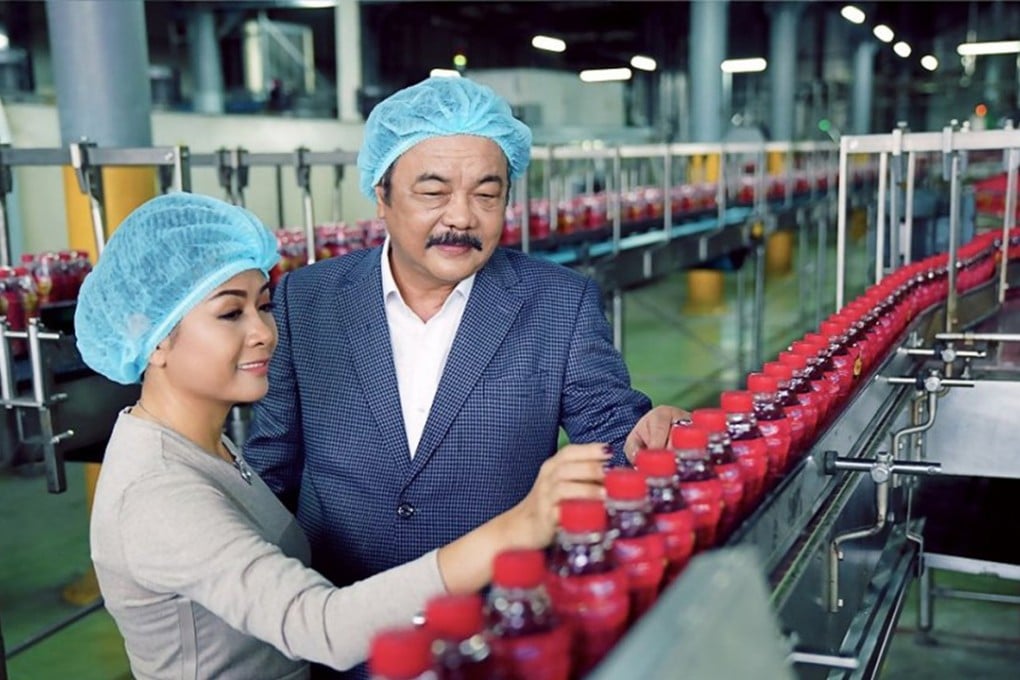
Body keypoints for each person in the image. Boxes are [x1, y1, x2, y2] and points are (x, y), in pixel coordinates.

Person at [75, 192, 610, 679]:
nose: (263, 332)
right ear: (152, 337)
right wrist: (515, 528)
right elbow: (319, 625)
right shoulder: (157, 493)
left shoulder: (203, 446)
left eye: (264, 305)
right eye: (230, 312)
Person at [244, 77, 685, 636]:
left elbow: (612, 436)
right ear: (381, 195)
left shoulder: (559, 303)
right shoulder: (305, 299)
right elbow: (272, 470)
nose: (461, 217)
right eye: (433, 192)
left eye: (486, 194)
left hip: (496, 629)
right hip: (339, 629)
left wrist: (650, 438)